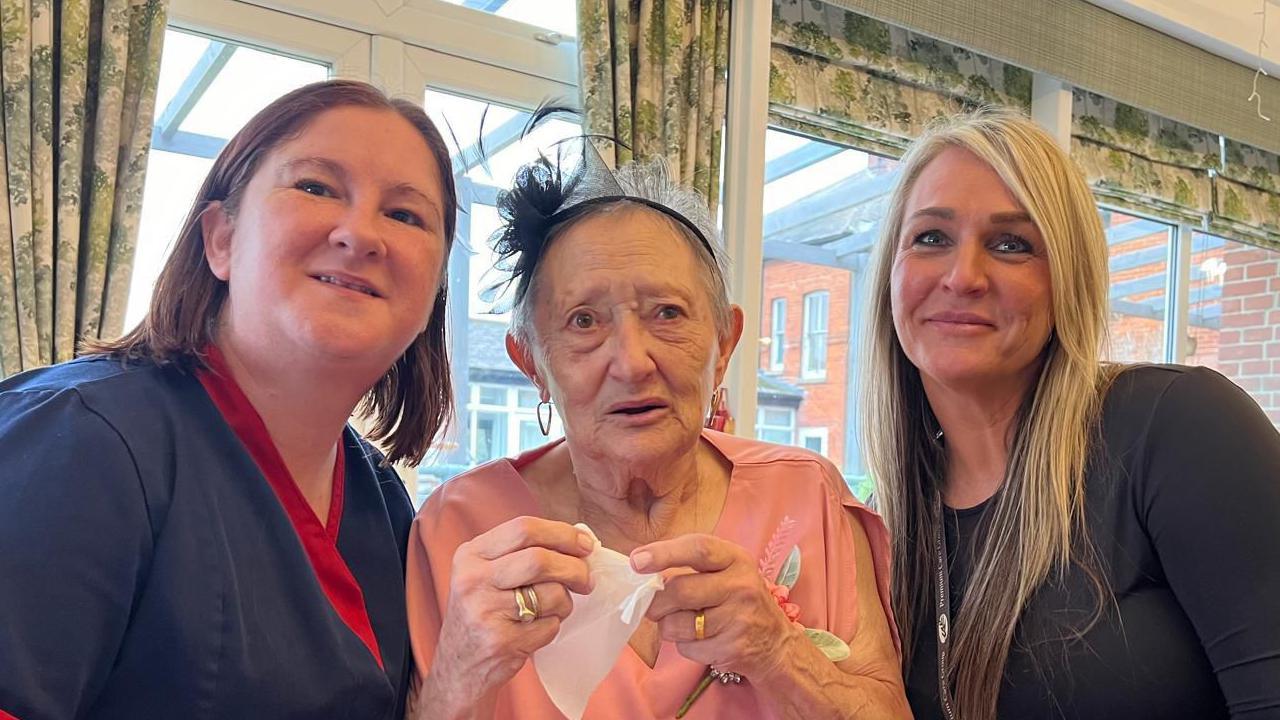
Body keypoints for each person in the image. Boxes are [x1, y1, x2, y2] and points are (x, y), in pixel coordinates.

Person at [0, 79, 456, 719]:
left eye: (406, 215)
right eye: (317, 187)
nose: (361, 234)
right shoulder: (80, 440)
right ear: (219, 239)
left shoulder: (382, 502)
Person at [406, 141, 910, 720]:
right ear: (533, 364)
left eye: (667, 313)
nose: (632, 362)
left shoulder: (807, 497)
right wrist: (462, 675)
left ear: (723, 347)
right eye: (584, 321)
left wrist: (781, 653)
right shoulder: (459, 527)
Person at [859, 107, 1280, 719]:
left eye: (1012, 244)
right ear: (890, 276)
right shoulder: (884, 523)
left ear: (1068, 281)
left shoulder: (1179, 427)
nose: (963, 275)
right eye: (931, 237)